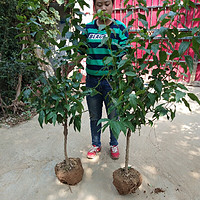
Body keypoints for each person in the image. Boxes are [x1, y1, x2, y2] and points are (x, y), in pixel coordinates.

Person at [67, 0, 128, 159]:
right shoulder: (88, 29)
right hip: (92, 81)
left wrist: (129, 75)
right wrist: (67, 68)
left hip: (112, 82)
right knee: (94, 115)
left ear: (113, 5)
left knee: (113, 115)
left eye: (106, 4)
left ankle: (114, 144)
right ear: (94, 7)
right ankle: (96, 144)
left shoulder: (120, 28)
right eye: (99, 5)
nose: (103, 8)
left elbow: (125, 54)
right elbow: (80, 51)